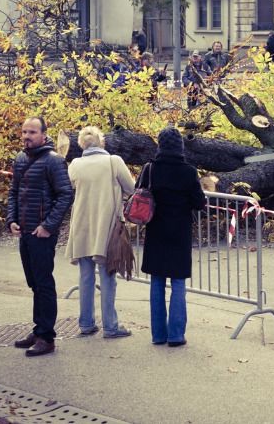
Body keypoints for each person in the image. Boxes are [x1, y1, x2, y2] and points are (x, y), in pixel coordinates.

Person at [6, 116, 75, 357]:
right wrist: (11, 220)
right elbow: (13, 192)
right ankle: (38, 329)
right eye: (24, 131)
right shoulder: (21, 159)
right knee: (34, 282)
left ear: (44, 135)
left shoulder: (53, 161)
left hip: (42, 233)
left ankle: (47, 337)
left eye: (32, 132)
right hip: (25, 230)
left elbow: (65, 195)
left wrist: (48, 226)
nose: (27, 136)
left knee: (44, 283)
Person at [66, 127, 136, 339]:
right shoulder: (113, 162)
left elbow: (71, 187)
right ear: (102, 142)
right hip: (106, 226)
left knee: (85, 277)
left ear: (81, 144)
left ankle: (86, 324)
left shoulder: (75, 165)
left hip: (81, 226)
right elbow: (131, 188)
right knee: (107, 277)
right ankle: (110, 326)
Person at [141, 126, 207, 346]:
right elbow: (199, 203)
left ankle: (158, 335)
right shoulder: (188, 171)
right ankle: (176, 335)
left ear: (160, 144)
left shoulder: (150, 169)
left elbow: (139, 192)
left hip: (155, 230)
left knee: (157, 281)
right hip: (179, 231)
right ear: (180, 145)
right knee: (178, 282)